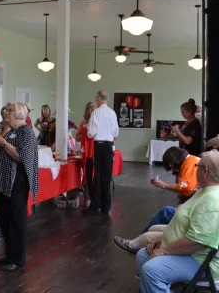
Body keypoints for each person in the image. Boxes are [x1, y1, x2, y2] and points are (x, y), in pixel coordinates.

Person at [136, 150, 219, 292]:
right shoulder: (205, 191)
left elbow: (197, 242)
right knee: (143, 255)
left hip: (201, 261)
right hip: (190, 253)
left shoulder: (212, 200)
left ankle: (157, 283)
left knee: (151, 270)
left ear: (205, 171)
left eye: (197, 166)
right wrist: (163, 240)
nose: (195, 169)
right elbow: (185, 226)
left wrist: (164, 250)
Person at [114, 147, 199, 254]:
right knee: (157, 225)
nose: (171, 167)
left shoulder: (189, 163)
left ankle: (137, 244)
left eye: (171, 165)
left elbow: (186, 187)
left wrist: (165, 185)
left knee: (165, 212)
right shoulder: (192, 161)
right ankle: (141, 242)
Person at [0, 102, 39, 272]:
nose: (6, 113)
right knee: (4, 219)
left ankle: (17, 259)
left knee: (16, 221)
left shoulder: (26, 132)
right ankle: (10, 255)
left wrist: (3, 143)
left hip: (16, 183)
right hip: (2, 183)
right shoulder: (10, 131)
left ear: (18, 114)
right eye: (6, 110)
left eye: (9, 111)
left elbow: (21, 156)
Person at [84, 90, 119, 215]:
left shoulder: (96, 113)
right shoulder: (112, 113)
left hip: (98, 147)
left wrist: (88, 130)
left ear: (98, 99)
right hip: (109, 147)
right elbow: (116, 133)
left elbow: (90, 133)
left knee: (96, 176)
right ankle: (106, 206)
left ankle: (96, 205)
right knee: (106, 176)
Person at [75, 101, 96, 208]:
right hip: (86, 153)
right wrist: (85, 135)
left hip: (96, 152)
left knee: (96, 176)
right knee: (87, 176)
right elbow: (77, 137)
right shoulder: (83, 122)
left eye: (93, 107)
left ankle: (96, 199)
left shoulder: (99, 121)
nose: (92, 109)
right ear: (86, 109)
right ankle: (87, 198)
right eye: (89, 107)